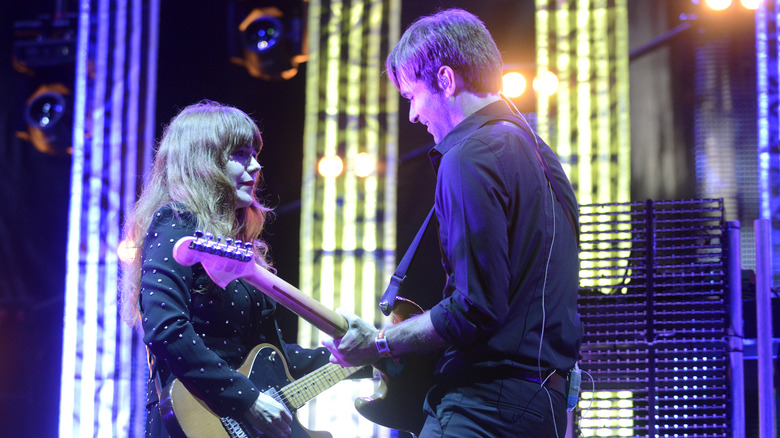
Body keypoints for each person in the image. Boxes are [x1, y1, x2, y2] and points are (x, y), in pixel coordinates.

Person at [323, 8, 582, 438]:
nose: (412, 115)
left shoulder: (469, 155)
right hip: (545, 409)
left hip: (483, 407)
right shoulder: (541, 155)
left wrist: (380, 343)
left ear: (445, 80)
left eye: (411, 95)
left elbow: (475, 308)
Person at [120, 100, 335, 438]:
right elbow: (165, 328)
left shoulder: (236, 246)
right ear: (204, 161)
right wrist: (246, 399)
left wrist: (347, 356)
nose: (256, 165)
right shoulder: (176, 221)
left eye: (254, 153)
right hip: (196, 422)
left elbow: (269, 359)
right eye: (241, 155)